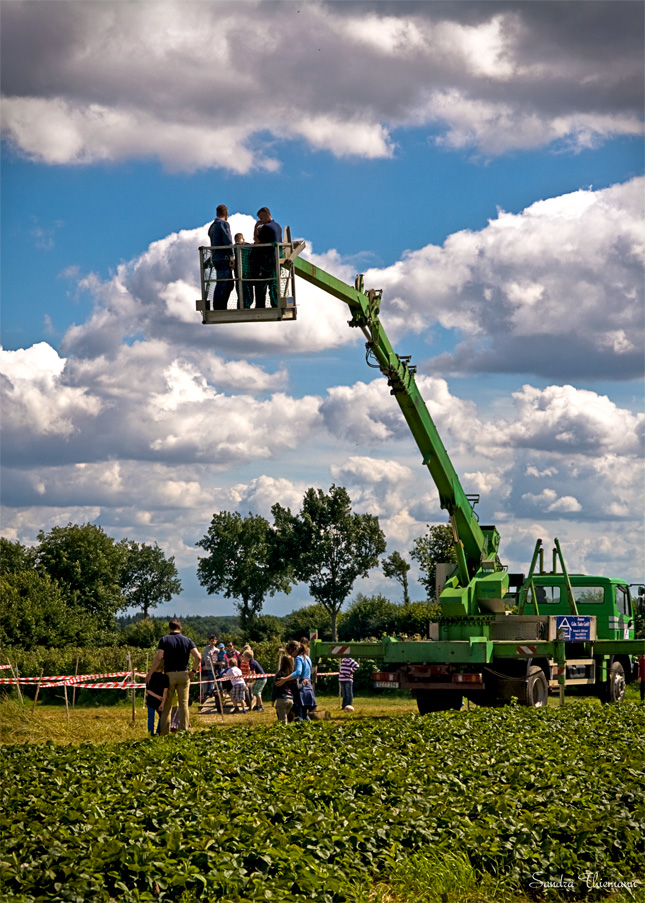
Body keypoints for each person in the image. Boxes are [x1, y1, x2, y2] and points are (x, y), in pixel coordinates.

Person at [147, 620, 201, 735]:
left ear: (169, 628)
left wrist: (150, 673)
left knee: (167, 705)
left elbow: (159, 657)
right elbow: (198, 657)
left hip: (169, 675)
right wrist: (193, 671)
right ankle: (184, 731)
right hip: (183, 674)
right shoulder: (187, 640)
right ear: (180, 627)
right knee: (183, 704)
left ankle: (164, 732)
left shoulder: (165, 640)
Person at [276, 640, 316, 721]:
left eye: (290, 652)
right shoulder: (307, 657)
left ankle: (300, 728)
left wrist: (285, 679)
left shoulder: (298, 658)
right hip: (308, 686)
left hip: (301, 689)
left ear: (294, 650)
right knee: (305, 713)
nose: (291, 655)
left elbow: (298, 672)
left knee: (299, 714)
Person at [254, 207, 282, 309]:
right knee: (274, 283)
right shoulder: (277, 226)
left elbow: (257, 241)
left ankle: (260, 306)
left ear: (266, 215)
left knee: (261, 284)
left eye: (261, 218)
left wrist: (256, 228)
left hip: (267, 260)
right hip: (277, 259)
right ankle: (275, 304)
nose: (261, 221)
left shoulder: (266, 227)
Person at [207, 204, 234, 310]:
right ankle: (219, 307)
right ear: (226, 214)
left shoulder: (212, 226)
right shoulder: (223, 224)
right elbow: (227, 240)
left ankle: (222, 306)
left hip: (216, 257)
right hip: (223, 258)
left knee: (228, 284)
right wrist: (232, 256)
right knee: (222, 284)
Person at [145, 662, 169, 737]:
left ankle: (150, 733)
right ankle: (158, 731)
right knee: (161, 717)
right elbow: (165, 691)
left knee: (150, 718)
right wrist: (162, 702)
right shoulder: (165, 677)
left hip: (151, 700)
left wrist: (156, 696)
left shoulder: (149, 676)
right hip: (160, 701)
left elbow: (148, 690)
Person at [271, 654, 295, 724]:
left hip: (282, 699)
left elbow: (275, 687)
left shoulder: (279, 674)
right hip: (290, 699)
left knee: (282, 720)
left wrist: (273, 699)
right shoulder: (292, 675)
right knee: (284, 717)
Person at [233, 233, 254, 310]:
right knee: (248, 295)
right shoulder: (247, 247)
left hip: (239, 275)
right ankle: (245, 307)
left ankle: (241, 307)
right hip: (246, 274)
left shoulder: (233, 248)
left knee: (241, 294)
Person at [201, 635, 219, 701]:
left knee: (216, 682)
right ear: (209, 641)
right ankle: (209, 694)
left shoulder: (217, 650)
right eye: (211, 641)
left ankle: (214, 694)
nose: (212, 642)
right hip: (209, 668)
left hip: (216, 668)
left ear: (216, 641)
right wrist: (215, 663)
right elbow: (207, 659)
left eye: (214, 641)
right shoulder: (206, 649)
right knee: (211, 681)